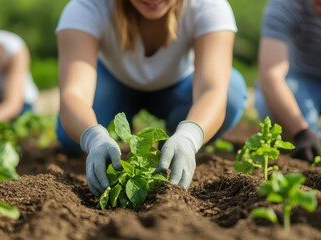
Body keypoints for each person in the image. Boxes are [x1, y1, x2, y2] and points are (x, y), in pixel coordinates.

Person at [56, 0, 247, 196]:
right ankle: (108, 134)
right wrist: (93, 137)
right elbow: (74, 93)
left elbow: (212, 90)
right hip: (115, 84)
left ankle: (175, 139)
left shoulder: (208, 5)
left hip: (177, 89)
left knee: (230, 92)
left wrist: (189, 137)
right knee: (72, 137)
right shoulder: (87, 7)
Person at [256, 0, 321, 163]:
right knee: (268, 103)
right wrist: (301, 132)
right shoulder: (284, 5)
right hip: (303, 80)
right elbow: (271, 75)